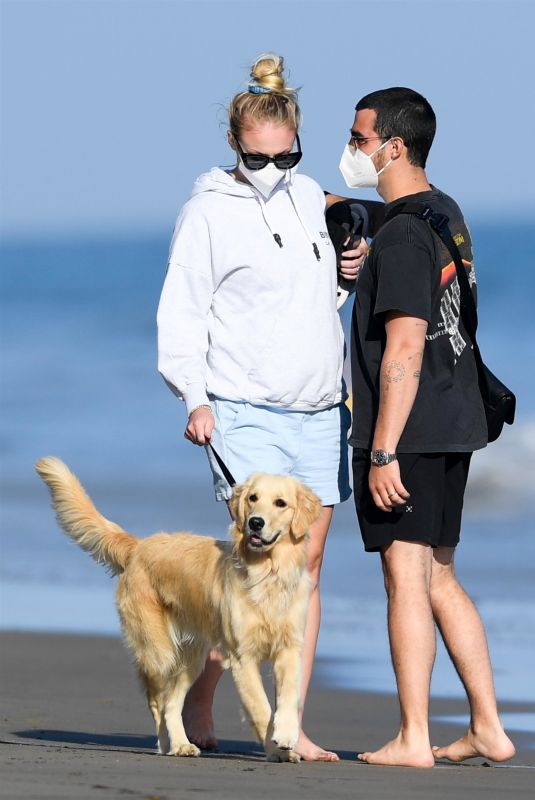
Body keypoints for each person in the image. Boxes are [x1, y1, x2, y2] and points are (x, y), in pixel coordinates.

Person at [157, 54, 366, 762]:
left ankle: (289, 725)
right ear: (233, 146)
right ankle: (211, 698)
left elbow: (309, 306)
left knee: (301, 575)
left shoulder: (309, 198)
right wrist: (194, 397)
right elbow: (181, 313)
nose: (273, 169)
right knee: (251, 567)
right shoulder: (207, 213)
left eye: (286, 156)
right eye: (258, 157)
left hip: (317, 409)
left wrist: (343, 277)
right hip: (242, 406)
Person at [341, 87, 516, 767]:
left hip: (407, 430)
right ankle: (487, 727)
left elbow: (404, 350)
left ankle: (414, 735)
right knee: (440, 575)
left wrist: (381, 449)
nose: (351, 150)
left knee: (404, 578)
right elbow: (371, 214)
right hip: (454, 418)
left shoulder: (403, 236)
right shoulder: (443, 213)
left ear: (392, 145)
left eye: (357, 140)